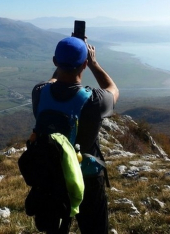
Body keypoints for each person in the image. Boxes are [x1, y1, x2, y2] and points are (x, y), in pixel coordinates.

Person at [32, 36, 119, 234]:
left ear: (55, 61)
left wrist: (67, 60)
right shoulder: (95, 101)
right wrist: (95, 64)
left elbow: (53, 81)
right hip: (86, 176)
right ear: (85, 65)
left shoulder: (39, 93)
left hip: (52, 175)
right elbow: (113, 90)